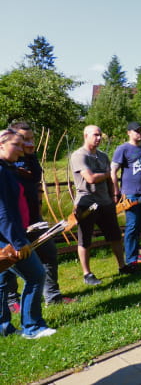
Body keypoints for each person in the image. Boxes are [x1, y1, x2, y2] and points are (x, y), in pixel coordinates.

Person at [5, 122, 74, 312]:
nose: (28, 143)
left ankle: (52, 296)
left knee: (49, 253)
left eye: (31, 139)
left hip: (33, 217)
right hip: (11, 221)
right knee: (9, 261)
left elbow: (35, 176)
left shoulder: (28, 157)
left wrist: (32, 154)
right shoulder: (7, 161)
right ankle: (12, 301)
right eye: (24, 139)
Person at [0, 128, 56, 338]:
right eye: (16, 144)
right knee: (36, 275)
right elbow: (3, 211)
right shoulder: (2, 171)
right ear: (1, 145)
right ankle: (32, 327)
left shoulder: (8, 168)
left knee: (3, 281)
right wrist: (17, 241)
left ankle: (3, 327)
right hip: (8, 239)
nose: (20, 149)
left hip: (8, 235)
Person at [70, 125, 130, 286]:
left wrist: (114, 194)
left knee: (115, 235)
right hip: (87, 203)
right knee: (85, 240)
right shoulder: (79, 156)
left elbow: (111, 179)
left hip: (105, 202)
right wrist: (108, 174)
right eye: (95, 135)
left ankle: (122, 266)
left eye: (100, 135)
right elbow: (90, 178)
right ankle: (87, 274)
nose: (98, 138)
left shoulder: (103, 156)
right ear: (86, 136)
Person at [111, 122, 141, 269]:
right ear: (128, 132)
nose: (139, 133)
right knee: (132, 226)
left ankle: (135, 252)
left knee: (139, 226)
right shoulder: (122, 149)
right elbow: (113, 171)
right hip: (130, 193)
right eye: (136, 131)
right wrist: (116, 191)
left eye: (140, 131)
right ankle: (130, 259)